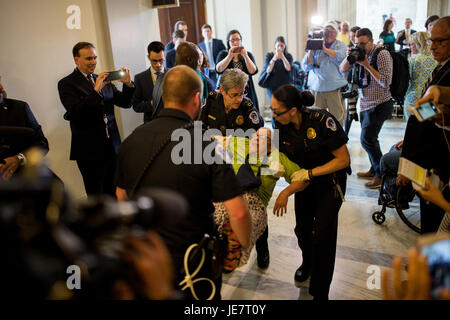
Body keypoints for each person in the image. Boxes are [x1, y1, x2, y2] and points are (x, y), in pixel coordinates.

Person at [115, 65, 251, 300]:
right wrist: (243, 246)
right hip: (194, 259)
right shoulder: (206, 146)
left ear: (164, 95)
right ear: (197, 98)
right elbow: (238, 214)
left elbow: (120, 196)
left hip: (148, 258)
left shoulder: (131, 140)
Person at [271, 84, 351, 300]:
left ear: (293, 110)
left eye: (277, 112)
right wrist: (285, 189)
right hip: (304, 182)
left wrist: (311, 173)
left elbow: (343, 160)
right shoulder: (280, 126)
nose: (273, 116)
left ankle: (320, 291)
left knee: (323, 236)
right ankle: (308, 262)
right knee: (303, 230)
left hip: (329, 183)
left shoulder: (322, 120)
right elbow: (290, 167)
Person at [213, 128, 310, 270]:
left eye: (263, 138)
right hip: (230, 195)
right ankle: (220, 256)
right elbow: (212, 139)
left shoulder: (278, 158)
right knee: (213, 222)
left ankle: (248, 253)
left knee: (245, 226)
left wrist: (285, 193)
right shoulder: (240, 143)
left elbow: (304, 178)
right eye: (256, 136)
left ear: (271, 145)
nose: (256, 139)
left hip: (255, 203)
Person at [57, 42, 135, 197]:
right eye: (88, 59)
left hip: (112, 146)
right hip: (89, 150)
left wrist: (128, 84)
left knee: (114, 191)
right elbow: (76, 112)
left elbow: (125, 103)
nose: (93, 62)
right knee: (97, 195)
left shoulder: (102, 79)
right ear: (76, 60)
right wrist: (95, 91)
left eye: (94, 58)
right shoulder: (66, 84)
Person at [399, 17, 450, 234]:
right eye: (431, 41)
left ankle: (433, 263)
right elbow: (423, 116)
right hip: (422, 153)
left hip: (436, 157)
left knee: (434, 213)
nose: (433, 46)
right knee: (426, 207)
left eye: (440, 41)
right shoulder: (441, 67)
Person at [340, 28, 394, 189]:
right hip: (365, 104)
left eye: (363, 43)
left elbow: (385, 82)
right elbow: (342, 70)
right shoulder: (358, 53)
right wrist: (350, 57)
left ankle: (381, 174)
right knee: (368, 139)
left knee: (367, 139)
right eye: (358, 44)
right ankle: (373, 169)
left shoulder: (382, 54)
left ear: (371, 41)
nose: (360, 47)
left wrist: (366, 65)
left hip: (380, 103)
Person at [0, 77, 49, 180]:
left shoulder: (19, 108)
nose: (1, 87)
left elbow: (42, 144)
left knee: (57, 187)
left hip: (23, 174)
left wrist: (19, 159)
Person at [301, 21, 348, 125]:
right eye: (326, 31)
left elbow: (341, 57)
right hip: (317, 89)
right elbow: (305, 66)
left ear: (336, 33)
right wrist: (311, 50)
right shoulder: (316, 45)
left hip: (333, 89)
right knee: (315, 119)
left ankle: (338, 140)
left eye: (332, 31)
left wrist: (324, 49)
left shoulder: (340, 45)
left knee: (337, 119)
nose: (329, 34)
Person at [201, 68, 264, 136]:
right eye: (234, 95)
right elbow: (199, 125)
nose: (239, 99)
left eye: (242, 93)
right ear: (222, 91)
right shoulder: (211, 101)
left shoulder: (247, 106)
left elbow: (258, 130)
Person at [151, 41, 201, 122]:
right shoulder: (191, 80)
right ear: (190, 60)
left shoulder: (162, 77)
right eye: (197, 60)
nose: (199, 63)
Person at [216, 29, 259, 111]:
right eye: (232, 40)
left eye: (237, 39)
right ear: (228, 42)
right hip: (229, 93)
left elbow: (253, 71)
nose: (235, 43)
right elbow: (218, 69)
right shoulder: (223, 54)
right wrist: (230, 56)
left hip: (246, 91)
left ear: (241, 40)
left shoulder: (248, 54)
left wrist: (245, 56)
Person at [258, 36, 293, 128]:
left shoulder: (288, 56)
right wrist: (274, 58)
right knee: (275, 107)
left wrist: (283, 57)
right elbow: (268, 70)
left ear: (285, 46)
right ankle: (275, 127)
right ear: (275, 46)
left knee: (285, 106)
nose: (280, 48)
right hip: (272, 87)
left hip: (284, 85)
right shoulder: (269, 56)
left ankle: (285, 127)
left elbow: (288, 68)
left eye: (282, 45)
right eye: (278, 45)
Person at [404, 32, 437, 119]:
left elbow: (406, 80)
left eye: (412, 44)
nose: (410, 47)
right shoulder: (436, 58)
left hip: (413, 98)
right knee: (427, 127)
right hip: (430, 98)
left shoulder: (413, 59)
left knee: (413, 127)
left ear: (419, 44)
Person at [132, 41, 166, 123]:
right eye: (154, 61)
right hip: (151, 124)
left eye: (161, 60)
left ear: (165, 55)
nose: (158, 64)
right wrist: (151, 103)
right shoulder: (140, 78)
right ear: (148, 57)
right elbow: (136, 106)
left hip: (172, 123)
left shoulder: (174, 74)